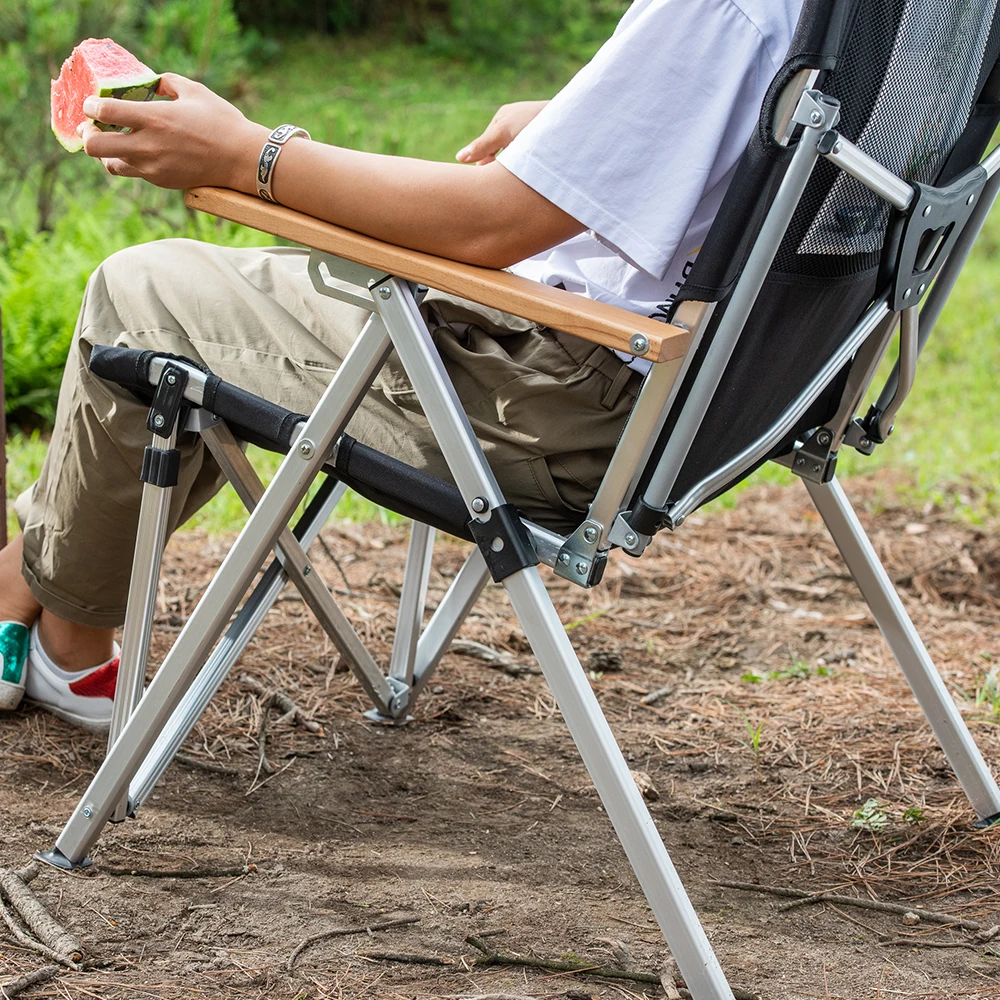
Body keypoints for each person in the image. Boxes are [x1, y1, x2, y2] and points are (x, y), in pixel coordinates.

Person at [0, 0, 803, 729]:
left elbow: (492, 224)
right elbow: (767, 138)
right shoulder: (888, 24)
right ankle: (29, 576)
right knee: (207, 312)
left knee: (144, 296)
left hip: (554, 402)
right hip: (720, 404)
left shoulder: (727, 7)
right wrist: (583, 129)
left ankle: (63, 642)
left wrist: (249, 154)